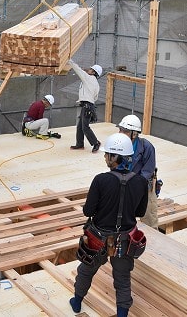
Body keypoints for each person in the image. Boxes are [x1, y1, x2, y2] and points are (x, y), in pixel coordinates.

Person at [70, 133, 148, 317]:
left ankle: (77, 302)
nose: (105, 157)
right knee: (122, 279)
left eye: (107, 154)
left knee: (86, 270)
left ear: (115, 157)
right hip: (124, 240)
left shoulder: (101, 180)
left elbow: (88, 212)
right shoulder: (140, 182)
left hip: (99, 239)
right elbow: (140, 213)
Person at [118, 114, 158, 229]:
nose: (121, 133)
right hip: (124, 184)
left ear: (134, 133)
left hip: (144, 186)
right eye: (120, 129)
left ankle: (152, 241)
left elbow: (148, 170)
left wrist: (135, 185)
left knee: (149, 215)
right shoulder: (118, 145)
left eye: (125, 131)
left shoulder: (146, 147)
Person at [69, 59, 102, 153]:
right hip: (88, 105)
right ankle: (79, 144)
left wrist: (70, 61)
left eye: (91, 69)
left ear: (94, 72)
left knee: (85, 127)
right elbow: (95, 97)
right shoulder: (95, 83)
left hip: (87, 106)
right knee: (80, 126)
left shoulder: (88, 78)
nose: (89, 70)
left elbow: (78, 70)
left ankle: (96, 143)